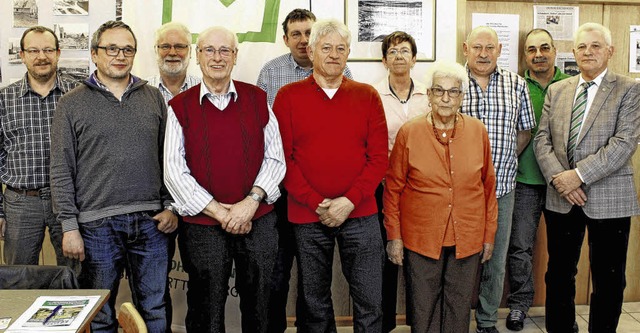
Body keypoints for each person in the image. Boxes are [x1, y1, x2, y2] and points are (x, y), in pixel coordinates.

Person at [50, 20, 177, 333]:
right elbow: (61, 168)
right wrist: (69, 226)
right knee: (100, 314)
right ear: (95, 54)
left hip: (151, 223)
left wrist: (171, 206)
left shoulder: (152, 97)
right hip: (96, 226)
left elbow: (169, 159)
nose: (120, 55)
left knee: (154, 308)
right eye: (111, 49)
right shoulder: (71, 103)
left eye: (128, 49)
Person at [163, 26, 285, 333]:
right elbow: (174, 170)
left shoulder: (258, 99)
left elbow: (276, 158)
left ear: (235, 57)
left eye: (225, 51)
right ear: (198, 56)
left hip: (257, 220)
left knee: (262, 305)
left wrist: (250, 203)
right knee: (206, 308)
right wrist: (221, 212)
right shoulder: (180, 106)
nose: (217, 58)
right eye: (209, 51)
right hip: (204, 226)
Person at [273, 19, 388, 332]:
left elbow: (378, 159)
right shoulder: (288, 96)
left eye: (341, 48)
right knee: (314, 302)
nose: (334, 54)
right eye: (326, 48)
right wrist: (318, 202)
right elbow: (283, 160)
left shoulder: (368, 96)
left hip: (360, 213)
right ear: (311, 52)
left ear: (348, 53)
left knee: (369, 299)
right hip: (308, 215)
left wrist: (348, 202)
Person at [534, 22, 640, 333]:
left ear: (610, 51)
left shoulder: (629, 89)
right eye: (582, 46)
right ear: (574, 52)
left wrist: (578, 176)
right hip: (561, 197)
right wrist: (560, 180)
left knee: (609, 277)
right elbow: (542, 140)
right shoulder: (558, 89)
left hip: (609, 198)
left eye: (595, 46)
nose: (588, 51)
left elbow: (624, 144)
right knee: (559, 274)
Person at [256, 9, 352, 332]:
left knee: (313, 278)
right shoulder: (271, 73)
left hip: (324, 197)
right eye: (295, 34)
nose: (303, 39)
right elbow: (262, 132)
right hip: (282, 193)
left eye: (308, 32)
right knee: (278, 272)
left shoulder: (342, 69)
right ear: (285, 39)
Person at [385, 60, 497, 333]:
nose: (446, 98)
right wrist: (394, 237)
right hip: (421, 236)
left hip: (468, 233)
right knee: (423, 305)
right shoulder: (409, 132)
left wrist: (488, 235)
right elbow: (393, 189)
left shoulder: (478, 131)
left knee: (458, 305)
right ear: (430, 95)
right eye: (439, 91)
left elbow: (488, 189)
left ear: (462, 96)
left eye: (454, 91)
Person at [461, 26, 535, 333]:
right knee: (461, 260)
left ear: (499, 49)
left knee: (496, 259)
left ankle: (487, 320)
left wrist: (502, 161)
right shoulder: (451, 83)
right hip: (461, 192)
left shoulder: (516, 84)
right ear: (466, 49)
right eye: (477, 47)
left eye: (489, 48)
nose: (483, 53)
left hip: (502, 188)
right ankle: (456, 318)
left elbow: (525, 132)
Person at [505, 29, 570, 331]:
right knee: (519, 247)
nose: (538, 54)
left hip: (563, 183)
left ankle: (562, 312)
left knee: (563, 251)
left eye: (544, 48)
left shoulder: (571, 85)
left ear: (555, 51)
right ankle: (519, 305)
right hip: (525, 181)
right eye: (531, 50)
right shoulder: (516, 86)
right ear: (525, 55)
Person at [0, 26, 79, 269]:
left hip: (69, 201)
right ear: (21, 55)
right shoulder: (4, 99)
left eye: (47, 50)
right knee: (17, 279)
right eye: (33, 50)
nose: (41, 57)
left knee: (75, 276)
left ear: (58, 53)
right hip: (20, 203)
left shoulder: (78, 95)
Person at [372, 30, 429, 333]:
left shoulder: (427, 94)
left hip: (421, 188)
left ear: (414, 58)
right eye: (392, 52)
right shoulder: (372, 94)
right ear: (384, 60)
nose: (398, 56)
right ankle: (384, 324)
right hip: (384, 185)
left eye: (404, 51)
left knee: (418, 257)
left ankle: (419, 322)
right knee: (386, 256)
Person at [147, 21, 200, 333]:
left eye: (179, 46)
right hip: (157, 207)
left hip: (198, 203)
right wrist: (167, 205)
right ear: (156, 52)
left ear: (190, 52)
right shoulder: (141, 92)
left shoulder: (205, 88)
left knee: (203, 282)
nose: (172, 52)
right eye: (165, 46)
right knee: (155, 286)